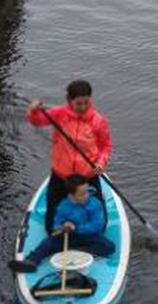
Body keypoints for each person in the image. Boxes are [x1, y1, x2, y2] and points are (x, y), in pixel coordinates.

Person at [26, 80, 112, 224]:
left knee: (100, 218)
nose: (83, 107)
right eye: (79, 103)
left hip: (87, 175)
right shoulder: (58, 114)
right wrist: (33, 110)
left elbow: (105, 147)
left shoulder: (98, 121)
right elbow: (36, 121)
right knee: (51, 220)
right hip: (61, 175)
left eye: (86, 102)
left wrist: (100, 162)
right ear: (69, 100)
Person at [9, 173, 114, 273]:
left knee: (109, 247)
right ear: (71, 195)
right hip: (69, 237)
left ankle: (74, 250)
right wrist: (61, 228)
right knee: (47, 243)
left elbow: (97, 225)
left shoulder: (95, 204)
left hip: (90, 237)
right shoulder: (63, 206)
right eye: (81, 194)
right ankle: (31, 262)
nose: (86, 196)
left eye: (86, 192)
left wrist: (76, 228)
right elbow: (56, 225)